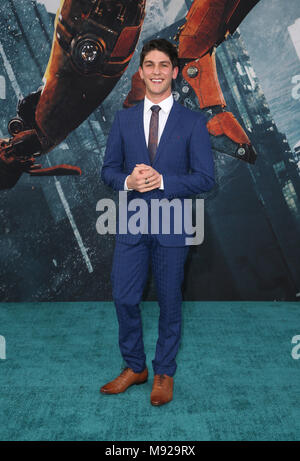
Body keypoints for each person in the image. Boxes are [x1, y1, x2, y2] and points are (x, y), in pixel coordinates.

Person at [100, 38, 215, 406]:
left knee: (169, 301)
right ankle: (135, 367)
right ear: (141, 71)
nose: (156, 72)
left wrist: (163, 181)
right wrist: (127, 182)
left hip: (173, 222)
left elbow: (206, 179)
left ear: (175, 72)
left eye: (163, 65)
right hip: (132, 222)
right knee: (124, 296)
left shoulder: (193, 122)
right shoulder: (123, 119)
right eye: (149, 65)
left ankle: (164, 371)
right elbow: (108, 171)